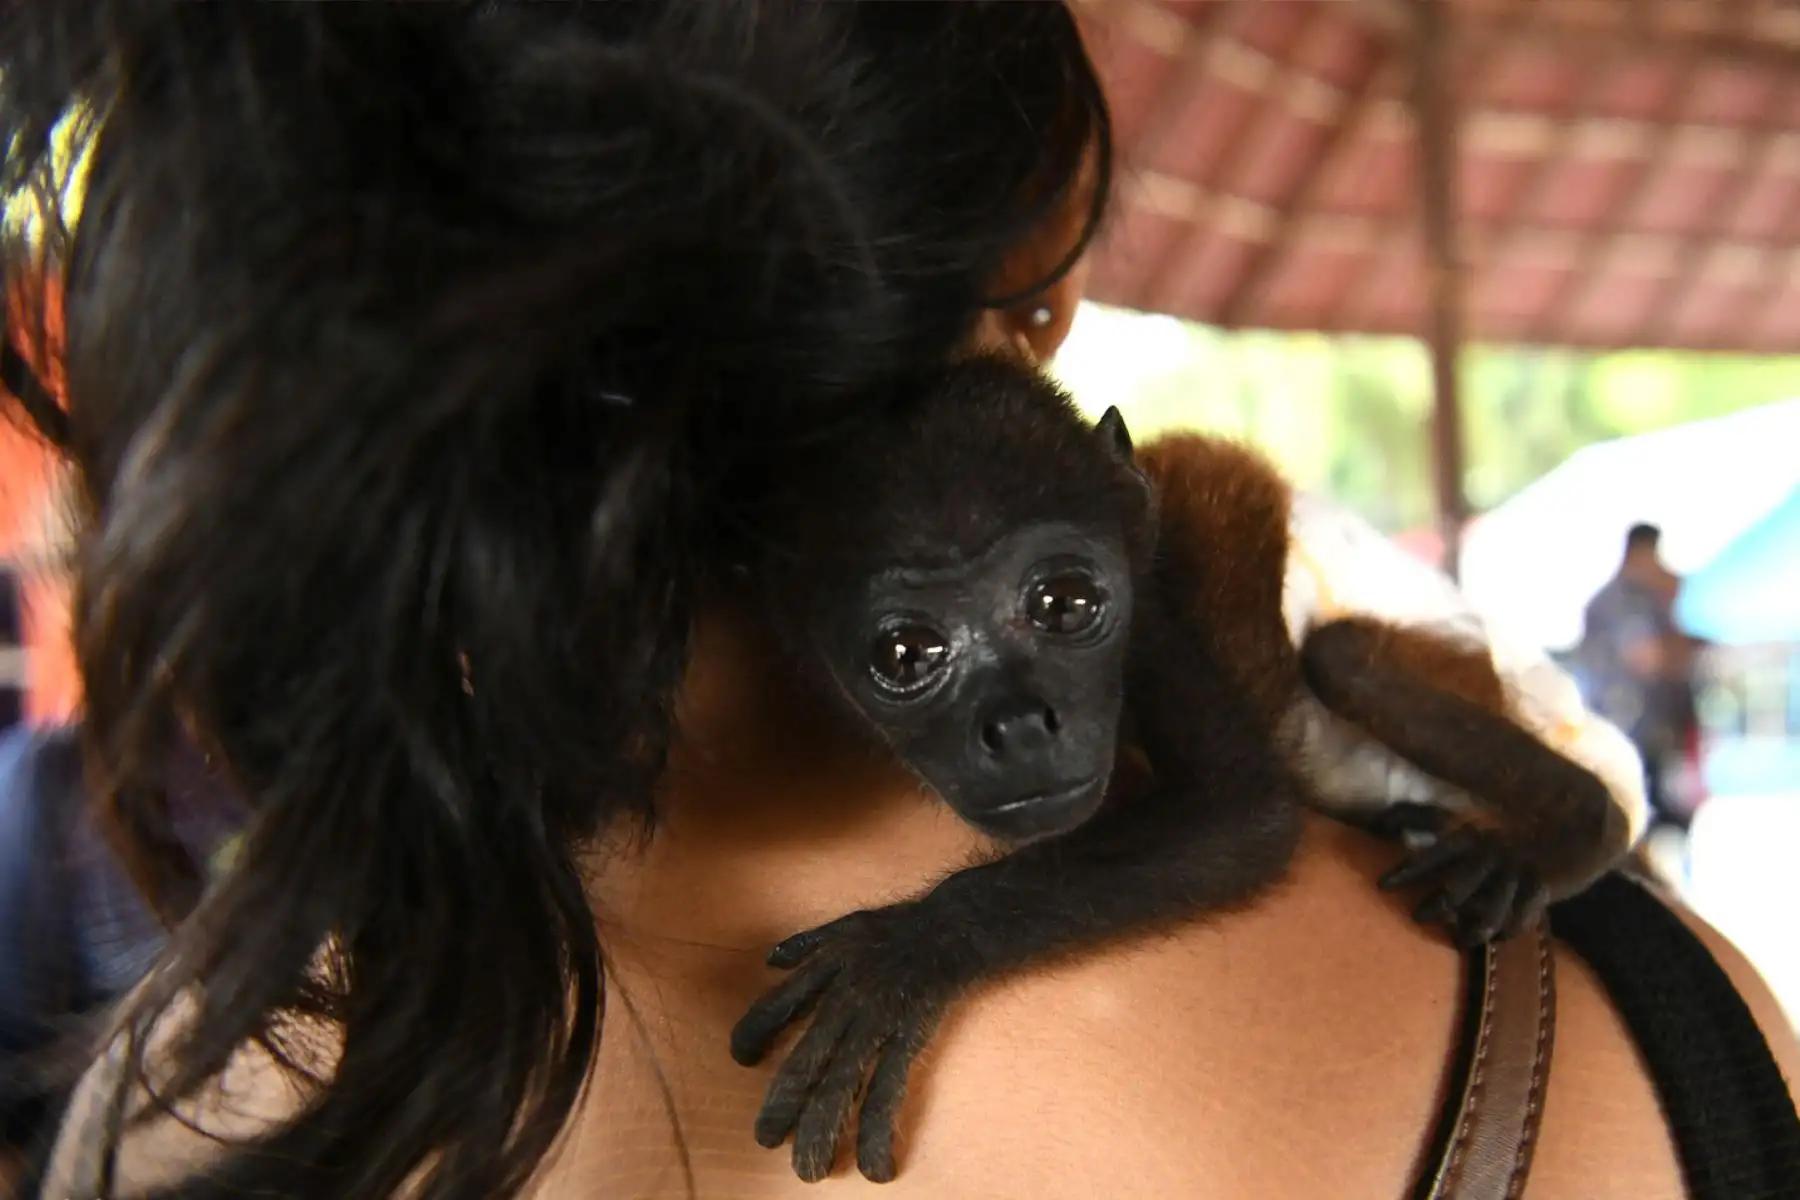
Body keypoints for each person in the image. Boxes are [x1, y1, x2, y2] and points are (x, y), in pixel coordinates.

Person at [0, 5, 1793, 1199]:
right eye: (922, 652)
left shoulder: (188, 1078)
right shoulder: (1644, 1045)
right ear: (1054, 237)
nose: (1017, 715)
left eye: (1056, 608)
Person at [1578, 523, 1702, 832]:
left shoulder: (1644, 600)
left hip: (1641, 736)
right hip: (1630, 734)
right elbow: (1649, 657)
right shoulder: (1625, 601)